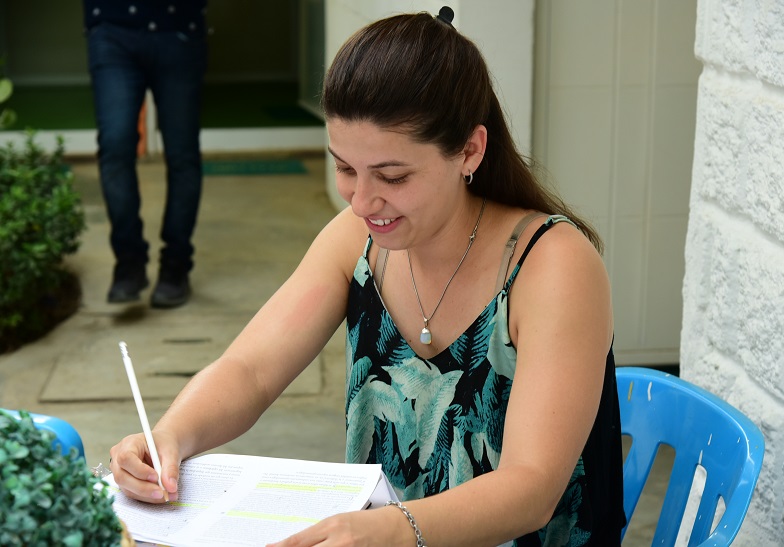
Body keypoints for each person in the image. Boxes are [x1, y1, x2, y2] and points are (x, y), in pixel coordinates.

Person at [109, 7, 625, 546]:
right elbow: (250, 370)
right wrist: (169, 436)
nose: (361, 201)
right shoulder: (358, 240)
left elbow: (531, 488)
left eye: (393, 176)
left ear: (470, 150)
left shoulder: (551, 265)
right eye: (345, 168)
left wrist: (390, 531)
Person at [83, 0, 208, 308]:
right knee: (115, 145)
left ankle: (176, 265)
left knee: (182, 153)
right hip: (112, 28)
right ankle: (129, 263)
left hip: (178, 28)